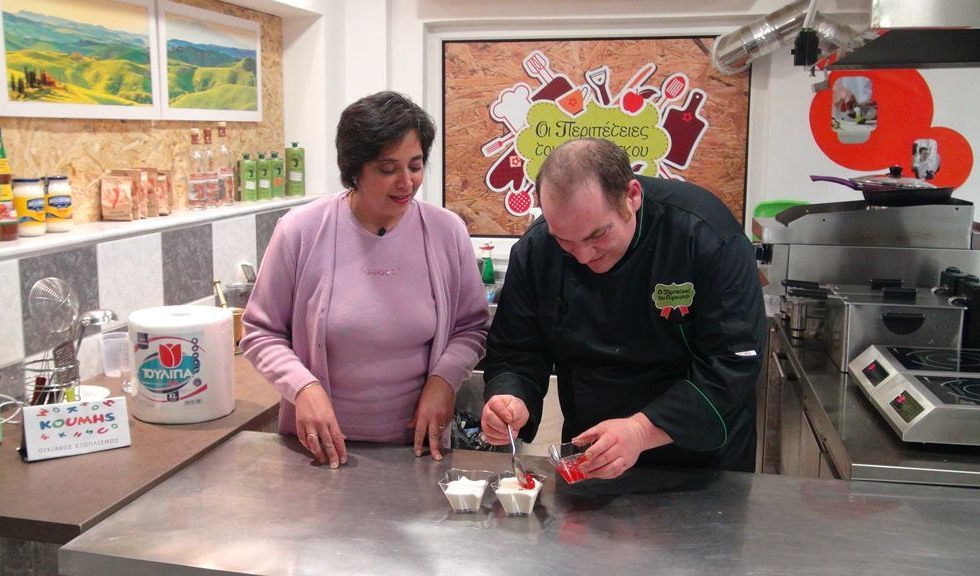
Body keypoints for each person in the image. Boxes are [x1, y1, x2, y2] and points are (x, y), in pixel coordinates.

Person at [481, 138, 766, 477]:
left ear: (631, 196)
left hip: (701, 467)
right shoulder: (537, 248)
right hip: (593, 456)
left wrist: (641, 431)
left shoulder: (704, 235)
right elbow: (516, 350)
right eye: (565, 241)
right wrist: (511, 398)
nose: (583, 256)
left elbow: (732, 365)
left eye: (597, 236)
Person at [241, 91, 489, 468]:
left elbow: (471, 327)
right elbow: (261, 332)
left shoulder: (446, 231)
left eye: (415, 165)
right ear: (354, 170)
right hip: (318, 453)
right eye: (387, 169)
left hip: (419, 450)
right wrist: (302, 387)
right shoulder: (300, 231)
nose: (406, 182)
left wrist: (444, 380)